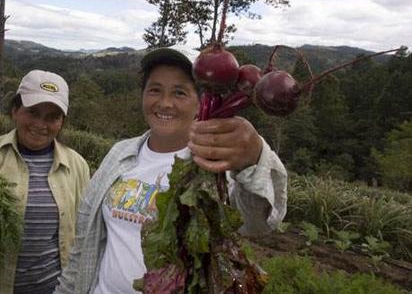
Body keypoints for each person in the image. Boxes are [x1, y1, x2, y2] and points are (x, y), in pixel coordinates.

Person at [55, 47, 288, 294]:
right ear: (143, 95)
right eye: (155, 90)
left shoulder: (216, 166)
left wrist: (254, 157)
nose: (165, 103)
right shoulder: (120, 153)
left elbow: (260, 221)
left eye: (179, 92)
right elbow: (83, 245)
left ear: (200, 102)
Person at [0, 70, 91, 294]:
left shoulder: (77, 165)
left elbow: (84, 232)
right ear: (15, 111)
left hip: (53, 288)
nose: (41, 124)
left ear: (61, 122)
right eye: (32, 112)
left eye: (52, 117)